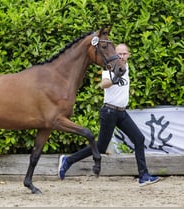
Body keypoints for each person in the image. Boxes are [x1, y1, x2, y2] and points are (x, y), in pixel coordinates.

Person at [58, 43, 159, 186]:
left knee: (139, 139)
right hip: (110, 111)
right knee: (100, 147)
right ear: (115, 54)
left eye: (124, 54)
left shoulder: (126, 67)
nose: (122, 56)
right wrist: (114, 79)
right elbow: (103, 84)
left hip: (121, 113)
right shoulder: (110, 67)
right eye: (119, 54)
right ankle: (68, 160)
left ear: (128, 55)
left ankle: (143, 176)